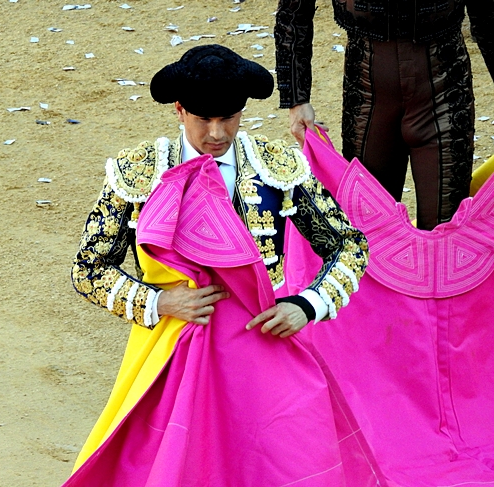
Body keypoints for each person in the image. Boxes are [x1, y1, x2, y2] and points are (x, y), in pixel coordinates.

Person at [67, 45, 371, 486]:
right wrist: (158, 301)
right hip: (173, 343)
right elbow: (88, 268)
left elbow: (349, 244)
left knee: (279, 459)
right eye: (203, 119)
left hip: (261, 340)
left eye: (228, 117)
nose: (216, 132)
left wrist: (305, 306)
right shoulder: (138, 174)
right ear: (179, 110)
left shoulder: (277, 166)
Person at [275, 0, 494, 230]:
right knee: (369, 231)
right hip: (367, 92)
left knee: (447, 231)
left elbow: (488, 13)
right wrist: (296, 99)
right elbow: (294, 9)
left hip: (443, 88)